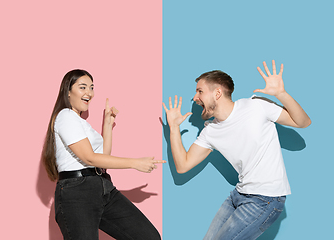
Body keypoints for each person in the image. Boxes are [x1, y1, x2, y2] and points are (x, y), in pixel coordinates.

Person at [162, 60, 311, 240]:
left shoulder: (256, 106)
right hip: (238, 195)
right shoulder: (210, 131)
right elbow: (183, 166)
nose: (195, 98)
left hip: (266, 199)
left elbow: (303, 122)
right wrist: (174, 128)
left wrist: (281, 93)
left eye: (200, 91)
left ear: (217, 93)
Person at [41, 69, 164, 240]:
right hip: (77, 192)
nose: (89, 93)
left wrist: (108, 124)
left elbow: (101, 160)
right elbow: (89, 157)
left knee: (149, 237)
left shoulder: (82, 124)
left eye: (91, 88)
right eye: (82, 87)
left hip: (103, 188)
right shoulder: (65, 116)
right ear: (68, 92)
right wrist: (134, 163)